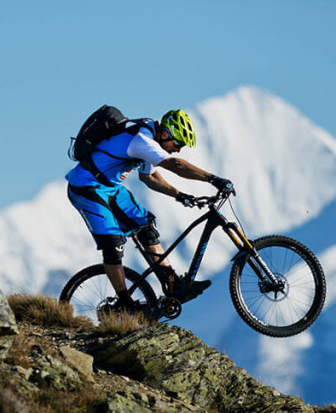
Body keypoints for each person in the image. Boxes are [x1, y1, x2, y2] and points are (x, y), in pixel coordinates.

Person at [65, 108, 233, 308]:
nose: (178, 149)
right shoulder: (143, 141)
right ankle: (126, 303)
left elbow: (149, 177)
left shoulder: (150, 139)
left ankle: (172, 285)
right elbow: (175, 164)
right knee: (113, 244)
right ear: (165, 134)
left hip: (111, 188)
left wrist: (180, 195)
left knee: (148, 230)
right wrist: (213, 179)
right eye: (177, 143)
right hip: (86, 187)